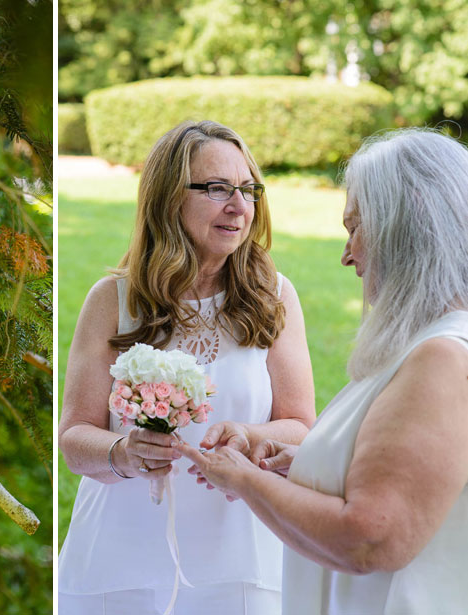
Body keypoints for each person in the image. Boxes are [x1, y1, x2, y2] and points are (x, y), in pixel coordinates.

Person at [181, 127, 468, 615]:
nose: (347, 254)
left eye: (355, 228)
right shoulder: (428, 344)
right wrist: (307, 462)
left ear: (408, 223)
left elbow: (369, 540)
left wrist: (243, 479)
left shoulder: (442, 356)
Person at [58, 120, 316, 614]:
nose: (239, 207)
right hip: (118, 561)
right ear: (168, 198)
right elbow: (74, 438)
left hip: (238, 559)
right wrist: (124, 452)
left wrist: (249, 433)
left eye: (247, 189)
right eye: (217, 189)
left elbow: (303, 426)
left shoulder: (274, 297)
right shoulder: (112, 300)